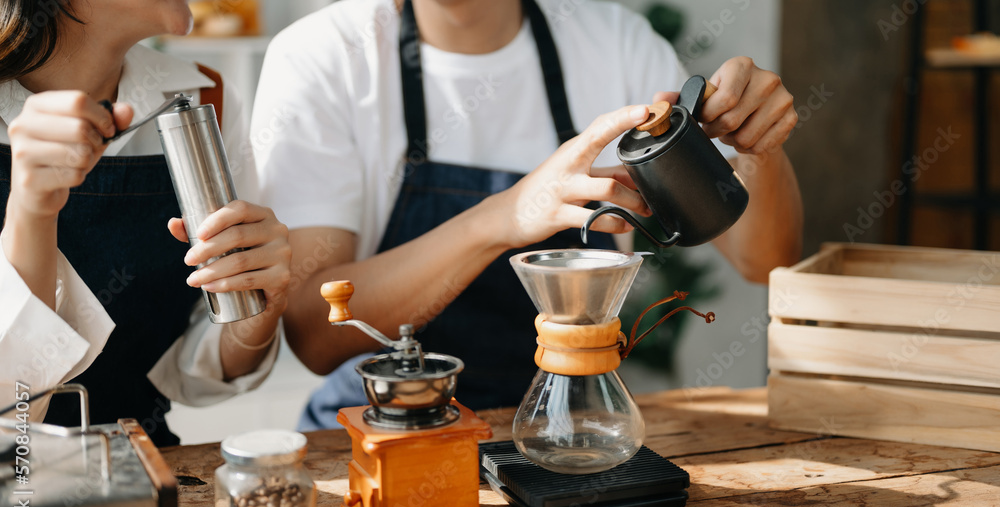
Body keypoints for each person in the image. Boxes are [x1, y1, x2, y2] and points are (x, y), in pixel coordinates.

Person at [251, 0, 803, 430]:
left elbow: (765, 259)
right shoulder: (323, 56)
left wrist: (758, 144)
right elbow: (314, 330)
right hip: (390, 425)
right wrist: (503, 217)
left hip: (574, 424)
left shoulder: (615, 45)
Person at [0, 0, 292, 446]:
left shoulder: (202, 97)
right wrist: (30, 212)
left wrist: (257, 307)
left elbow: (189, 375)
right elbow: (14, 416)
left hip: (143, 471)